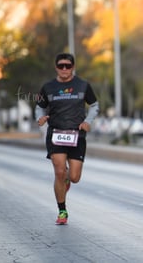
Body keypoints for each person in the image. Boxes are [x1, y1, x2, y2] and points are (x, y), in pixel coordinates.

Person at [35, 53, 99, 225]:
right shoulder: (48, 87)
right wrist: (40, 118)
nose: (64, 69)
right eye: (61, 66)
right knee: (59, 171)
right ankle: (62, 211)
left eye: (68, 66)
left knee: (75, 176)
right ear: (56, 67)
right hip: (56, 133)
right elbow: (39, 107)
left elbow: (94, 105)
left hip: (77, 135)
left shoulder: (83, 85)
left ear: (73, 67)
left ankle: (68, 180)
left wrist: (87, 121)